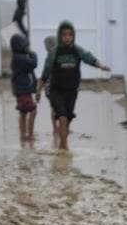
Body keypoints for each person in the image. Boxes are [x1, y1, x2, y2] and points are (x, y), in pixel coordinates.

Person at [35, 20, 110, 150]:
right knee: (62, 117)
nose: (67, 37)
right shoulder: (54, 52)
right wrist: (38, 90)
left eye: (70, 34)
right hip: (56, 90)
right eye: (64, 34)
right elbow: (45, 73)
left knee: (68, 119)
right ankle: (64, 149)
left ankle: (62, 144)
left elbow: (88, 57)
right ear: (60, 36)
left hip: (72, 91)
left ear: (73, 36)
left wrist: (101, 66)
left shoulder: (77, 50)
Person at [9, 33, 38, 141]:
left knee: (23, 112)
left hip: (21, 90)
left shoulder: (17, 58)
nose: (28, 48)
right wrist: (33, 54)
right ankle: (30, 135)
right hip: (23, 91)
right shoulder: (20, 58)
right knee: (33, 110)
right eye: (26, 46)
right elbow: (34, 64)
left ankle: (23, 135)